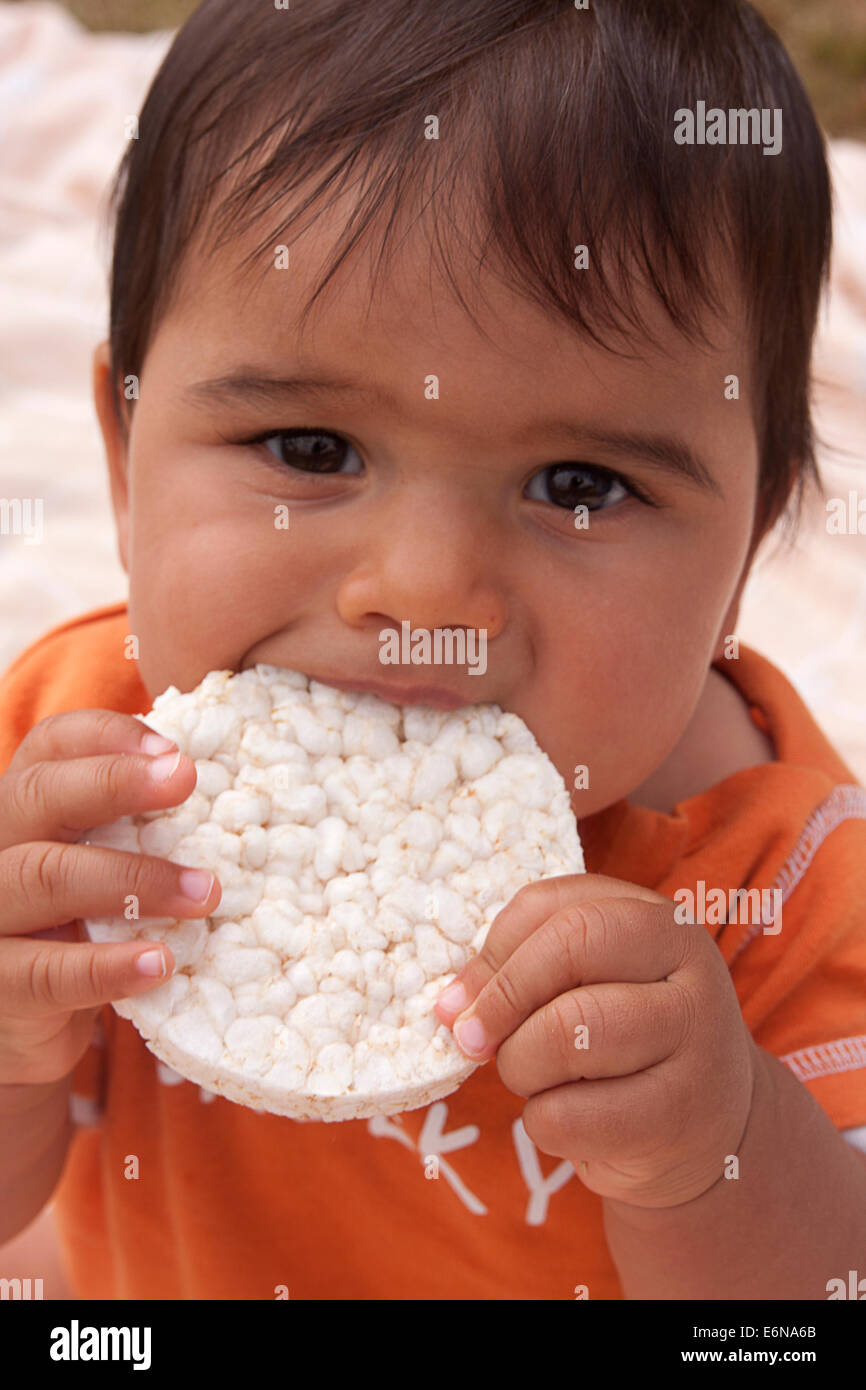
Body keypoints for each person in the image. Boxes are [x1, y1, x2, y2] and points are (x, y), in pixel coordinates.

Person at [0, 0, 864, 1300]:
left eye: (578, 482)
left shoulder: (784, 893)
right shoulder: (68, 773)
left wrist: (718, 1148)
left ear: (746, 548)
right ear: (125, 466)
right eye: (309, 452)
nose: (422, 591)